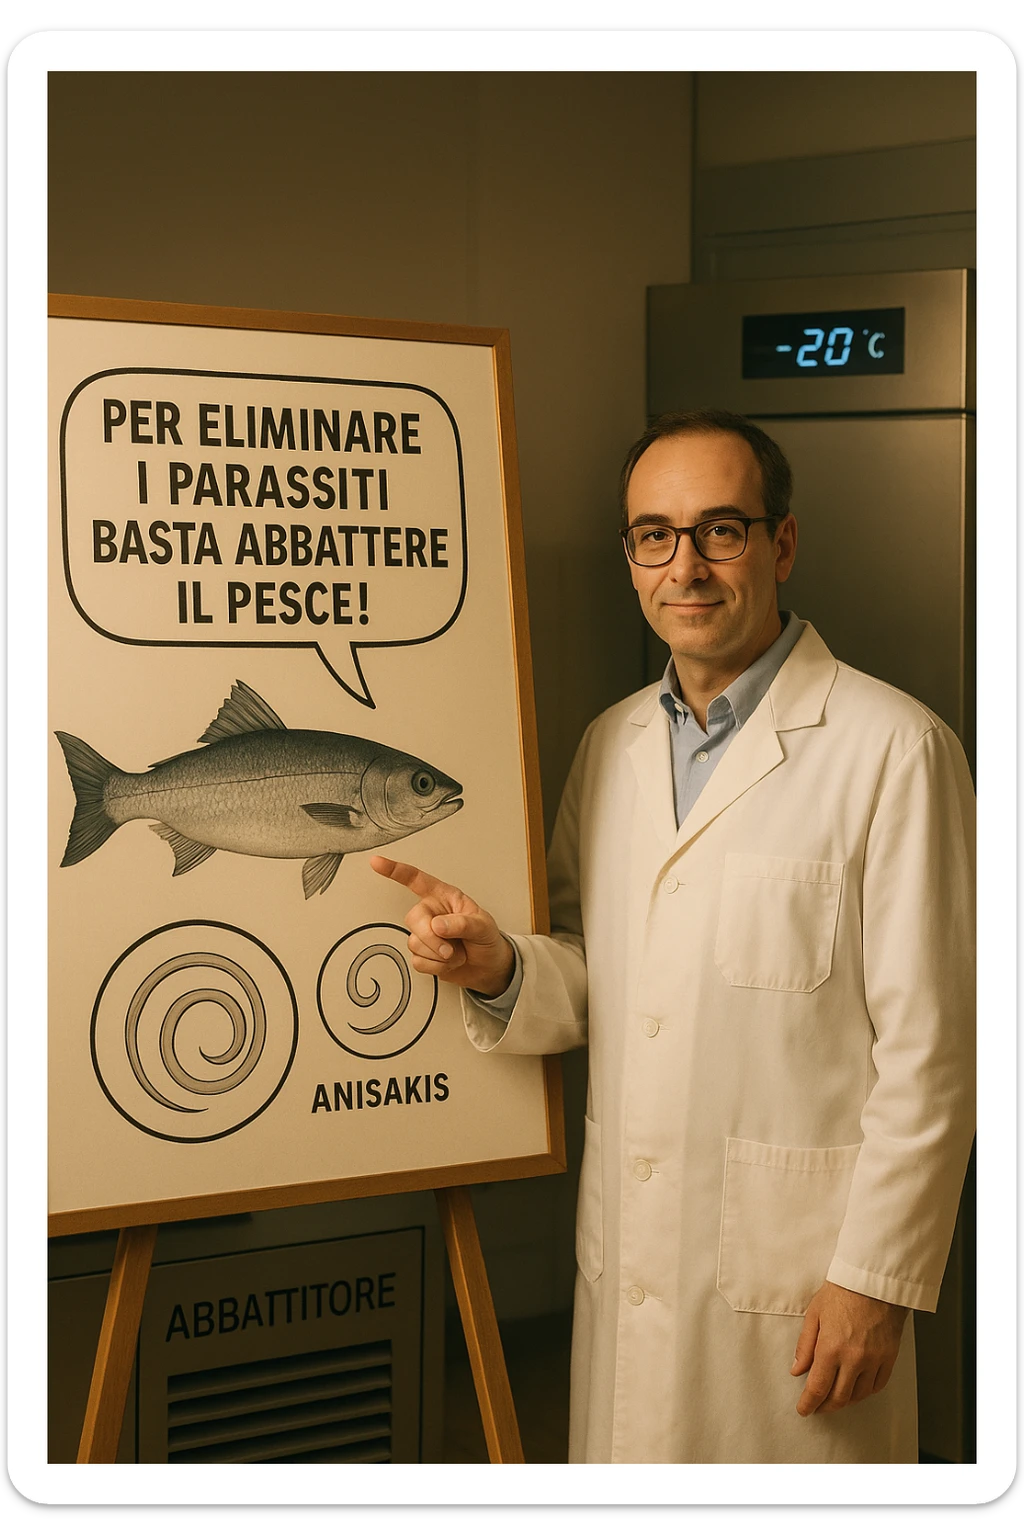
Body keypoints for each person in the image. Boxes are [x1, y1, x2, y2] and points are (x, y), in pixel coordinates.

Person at [372, 409, 976, 1464]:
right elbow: (602, 974)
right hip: (635, 1257)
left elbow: (935, 1054)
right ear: (630, 556)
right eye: (653, 535)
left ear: (780, 545)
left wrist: (873, 1278)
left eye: (720, 530)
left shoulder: (895, 749)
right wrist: (504, 967)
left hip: (800, 1287)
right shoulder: (608, 745)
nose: (684, 566)